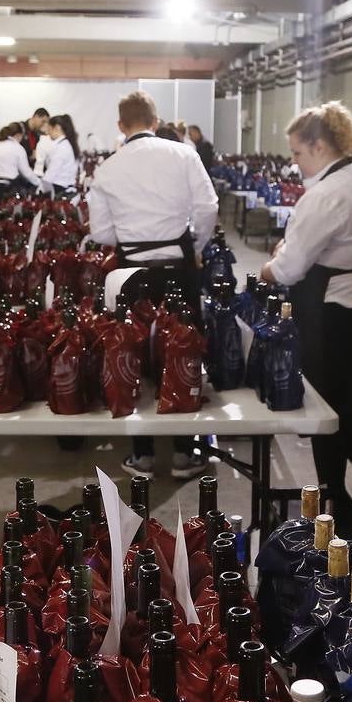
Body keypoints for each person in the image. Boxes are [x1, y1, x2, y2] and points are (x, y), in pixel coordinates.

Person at [259, 102, 352, 535]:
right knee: (342, 407)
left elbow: (290, 266)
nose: (294, 163)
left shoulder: (326, 194)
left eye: (297, 153)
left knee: (325, 414)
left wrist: (266, 270)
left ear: (318, 145)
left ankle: (336, 510)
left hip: (338, 317)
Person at [88, 90, 219, 479]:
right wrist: (193, 246)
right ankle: (185, 451)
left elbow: (100, 231)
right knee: (183, 354)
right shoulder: (182, 154)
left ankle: (142, 453)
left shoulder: (108, 168)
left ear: (120, 126)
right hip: (179, 264)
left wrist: (131, 237)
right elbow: (208, 206)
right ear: (156, 121)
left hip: (132, 271)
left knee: (133, 358)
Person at [0, 122, 41, 209]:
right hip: (7, 189)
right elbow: (26, 172)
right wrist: (39, 183)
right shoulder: (17, 148)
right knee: (4, 219)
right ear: (18, 135)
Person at [41, 113, 80, 199]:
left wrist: (40, 189)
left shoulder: (61, 147)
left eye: (49, 129)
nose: (48, 132)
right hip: (64, 188)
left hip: (59, 190)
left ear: (57, 127)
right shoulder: (66, 144)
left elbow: (51, 173)